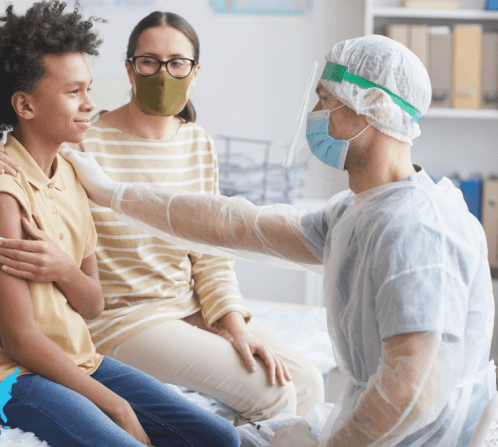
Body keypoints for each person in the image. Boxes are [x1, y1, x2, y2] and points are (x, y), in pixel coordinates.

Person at [59, 34, 496, 446]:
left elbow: (411, 395)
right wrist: (115, 194)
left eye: (325, 100)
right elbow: (237, 226)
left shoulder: (415, 231)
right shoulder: (361, 212)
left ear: (372, 108)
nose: (314, 115)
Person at [0, 9, 325, 426]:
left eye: (177, 63)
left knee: (308, 383)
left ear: (195, 72)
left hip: (186, 307)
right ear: (130, 70)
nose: (163, 74)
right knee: (273, 393)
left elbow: (211, 252)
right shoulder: (82, 139)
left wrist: (232, 322)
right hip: (123, 316)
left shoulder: (197, 144)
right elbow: (25, 166)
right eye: (148, 62)